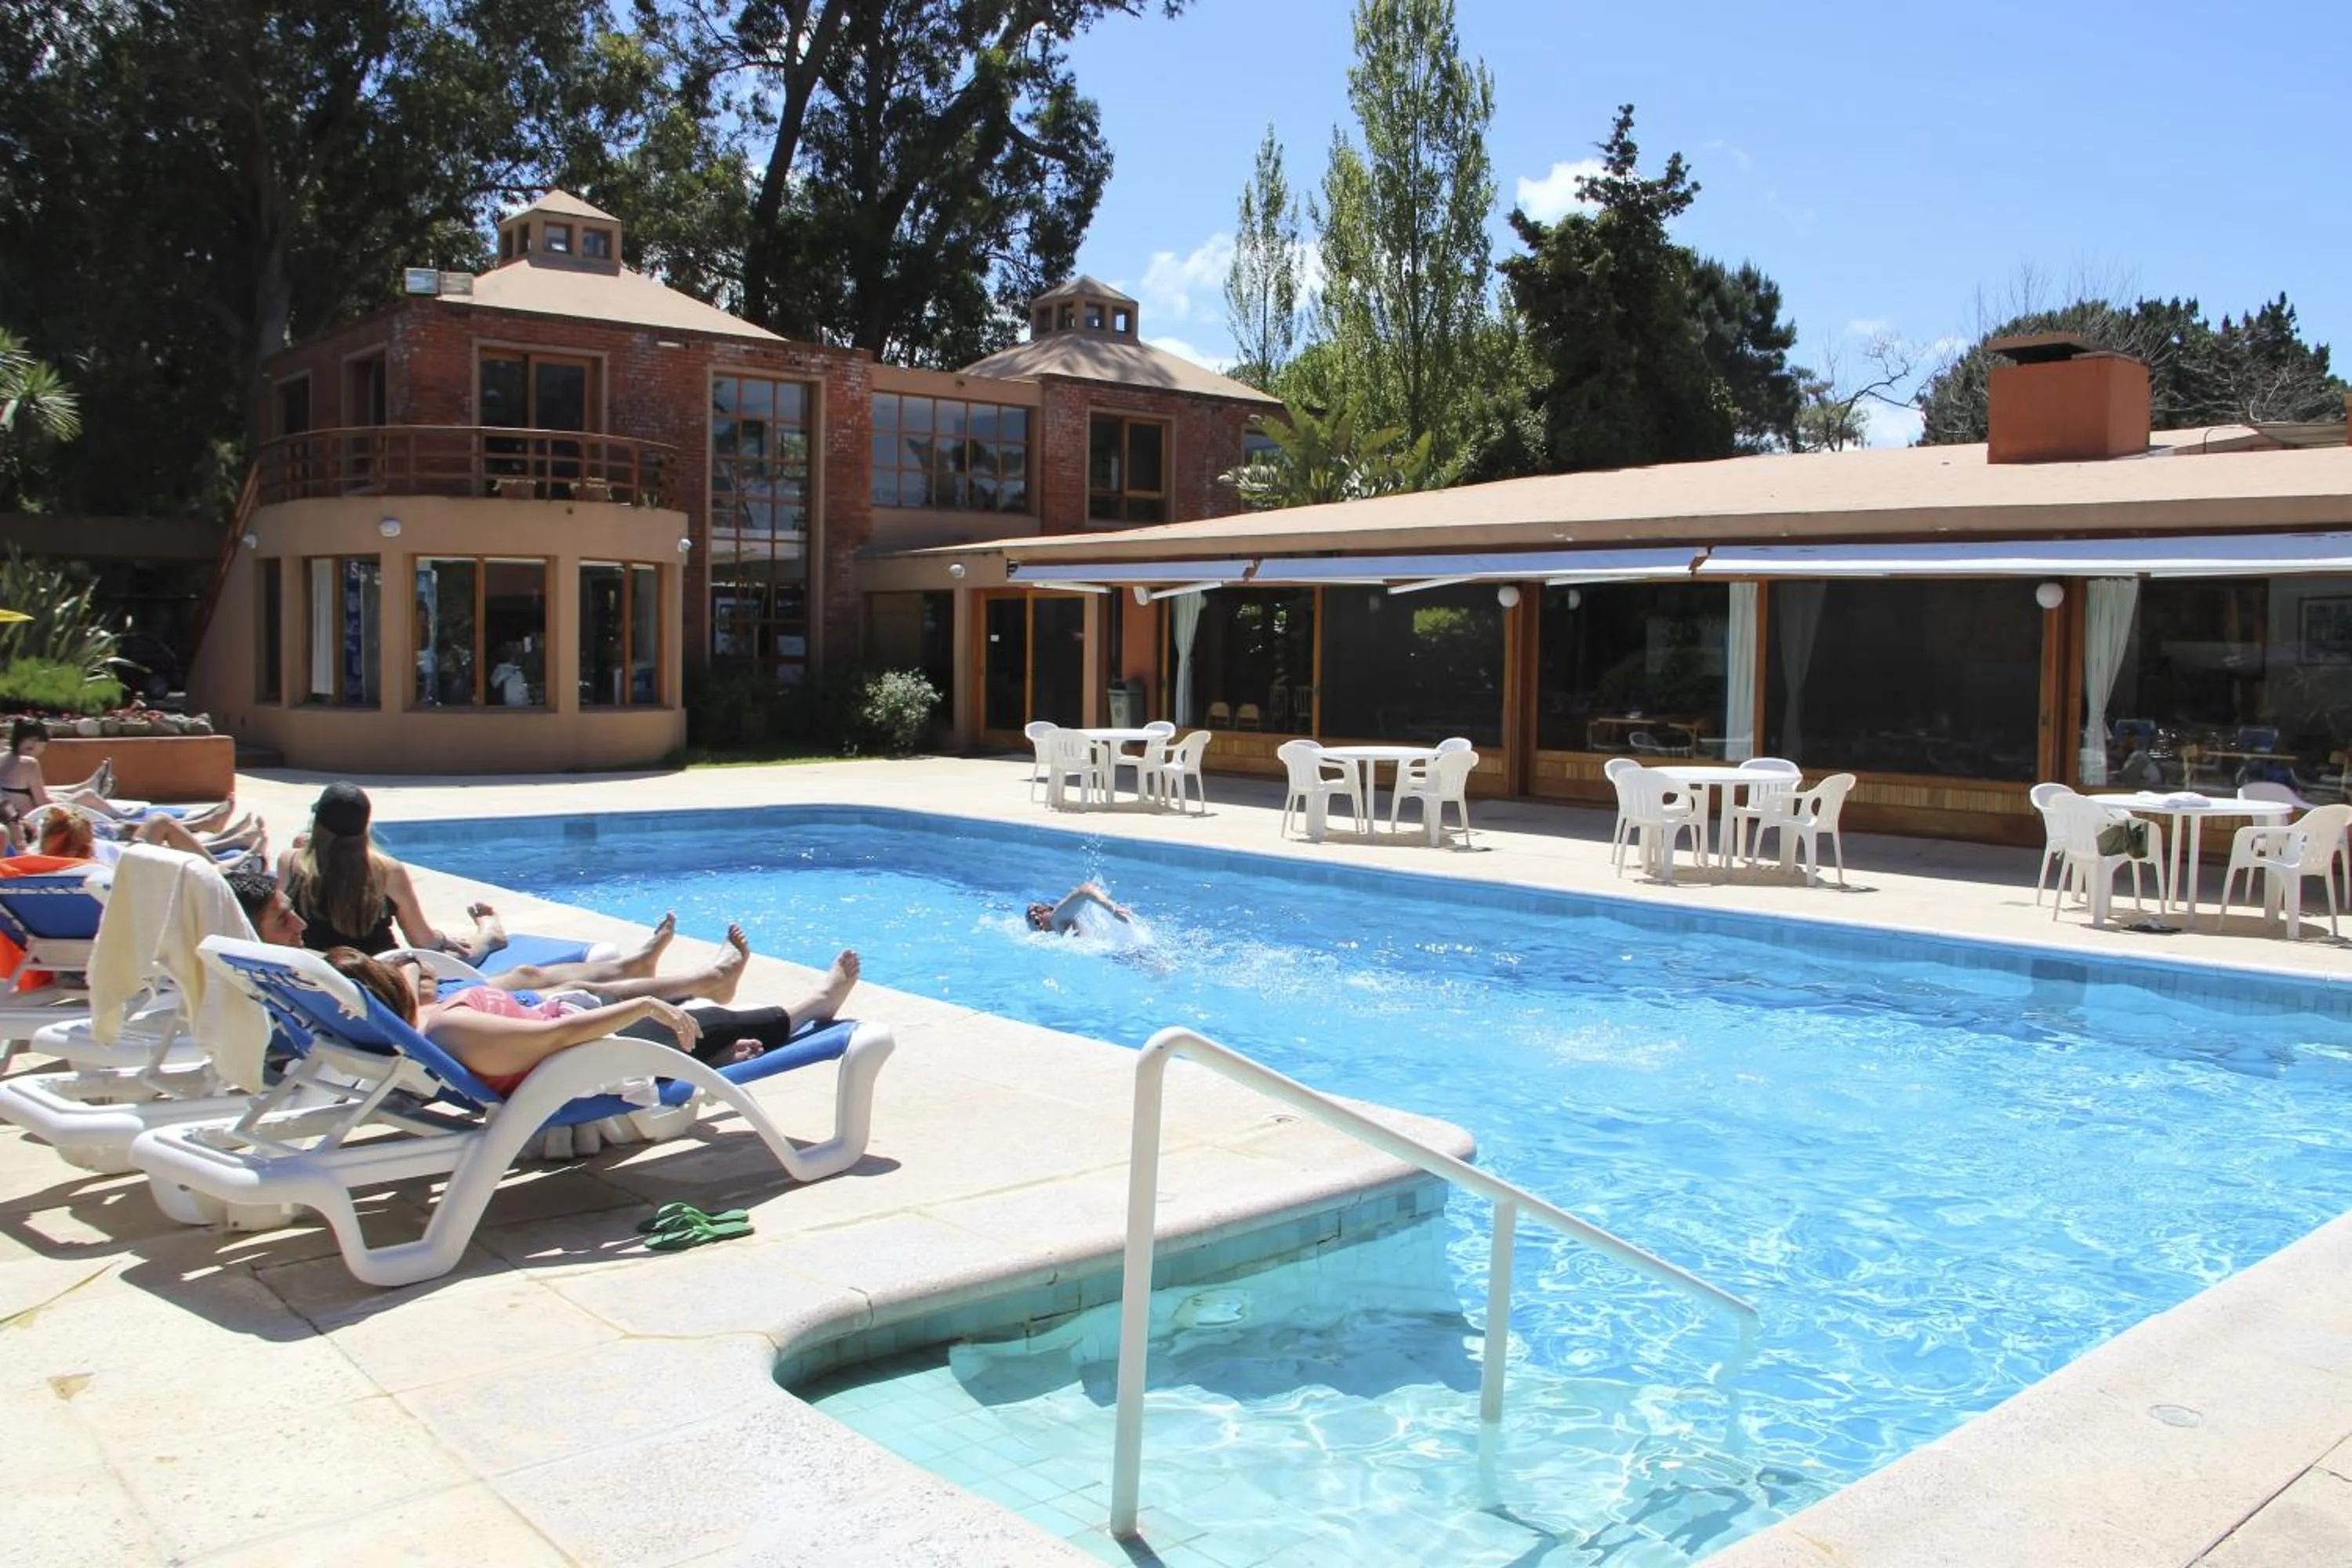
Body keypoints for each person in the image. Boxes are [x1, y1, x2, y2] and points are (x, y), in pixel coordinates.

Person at [325, 944, 862, 1098]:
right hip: (588, 1055)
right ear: (382, 989)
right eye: (383, 970)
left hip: (573, 1030)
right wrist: (639, 1010)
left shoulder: (415, 1022)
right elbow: (552, 1038)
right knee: (709, 1022)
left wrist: (406, 966)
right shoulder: (449, 1031)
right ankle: (811, 1008)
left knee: (589, 991)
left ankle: (704, 1048)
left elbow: (414, 970)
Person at [225, 859, 766, 1007]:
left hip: (418, 1006)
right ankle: (706, 981)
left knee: (532, 974)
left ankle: (641, 966)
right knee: (577, 994)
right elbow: (411, 1001)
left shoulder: (266, 965)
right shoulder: (300, 972)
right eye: (282, 918)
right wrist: (413, 971)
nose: (297, 922)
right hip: (431, 1022)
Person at [278, 781, 505, 960]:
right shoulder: (386, 870)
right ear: (366, 824)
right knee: (458, 953)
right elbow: (422, 940)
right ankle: (489, 935)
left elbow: (280, 924)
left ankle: (488, 935)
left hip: (318, 970)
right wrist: (443, 938)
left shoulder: (289, 861)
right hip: (380, 973)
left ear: (317, 822)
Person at [0, 718, 245, 834]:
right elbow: (43, 805)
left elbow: (25, 795)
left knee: (81, 794)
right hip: (36, 821)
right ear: (33, 742)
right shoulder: (29, 763)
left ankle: (89, 787)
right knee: (98, 808)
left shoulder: (4, 759)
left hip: (20, 818)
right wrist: (74, 799)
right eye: (43, 745)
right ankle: (198, 824)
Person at [1025, 881, 1133, 935]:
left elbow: (1085, 890)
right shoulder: (1058, 922)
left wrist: (1111, 908)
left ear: (1041, 914)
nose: (1041, 929)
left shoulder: (1057, 918)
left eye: (1037, 923)